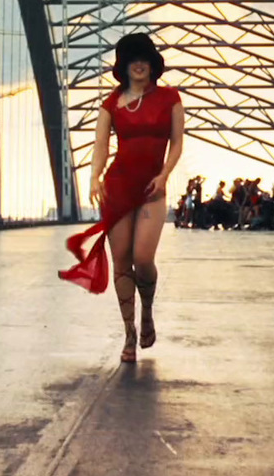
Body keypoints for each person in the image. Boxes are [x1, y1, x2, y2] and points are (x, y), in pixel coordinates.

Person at [58, 32, 185, 363]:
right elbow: (100, 147)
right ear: (124, 66)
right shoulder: (111, 104)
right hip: (118, 188)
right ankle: (129, 332)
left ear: (152, 65)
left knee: (143, 258)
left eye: (144, 58)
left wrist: (164, 175)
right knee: (121, 262)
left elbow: (177, 143)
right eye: (132, 59)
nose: (139, 64)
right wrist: (94, 177)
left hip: (151, 191)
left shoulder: (170, 98)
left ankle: (148, 313)